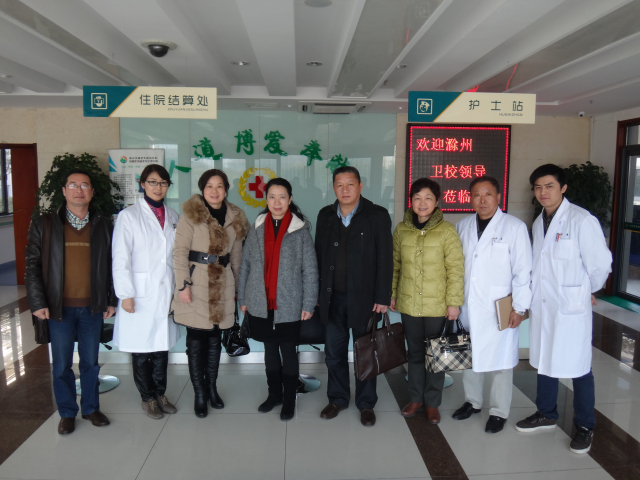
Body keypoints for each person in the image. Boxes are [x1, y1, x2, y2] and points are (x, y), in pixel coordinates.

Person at [515, 164, 612, 454]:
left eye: (549, 186)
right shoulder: (539, 222)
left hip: (571, 307)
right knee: (546, 359)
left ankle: (585, 425)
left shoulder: (582, 220)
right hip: (545, 304)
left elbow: (600, 264)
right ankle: (546, 412)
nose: (543, 192)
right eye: (538, 187)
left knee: (579, 366)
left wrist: (586, 290)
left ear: (563, 188)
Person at [25, 169, 117, 435]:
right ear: (64, 191)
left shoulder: (104, 225)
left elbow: (113, 265)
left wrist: (111, 299)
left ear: (92, 192)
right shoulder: (44, 224)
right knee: (62, 364)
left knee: (91, 362)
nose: (79, 190)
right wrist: (37, 301)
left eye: (84, 185)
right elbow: (32, 265)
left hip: (92, 307)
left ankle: (90, 408)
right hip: (58, 308)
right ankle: (67, 412)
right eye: (73, 185)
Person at [452, 176, 532, 433]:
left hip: (500, 307)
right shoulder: (463, 226)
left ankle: (499, 411)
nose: (482, 200)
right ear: (470, 198)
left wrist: (519, 308)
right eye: (477, 194)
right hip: (468, 304)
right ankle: (472, 402)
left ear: (498, 197)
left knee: (501, 361)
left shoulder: (514, 227)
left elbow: (523, 271)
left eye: (488, 194)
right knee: (470, 355)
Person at [315, 166, 393, 427]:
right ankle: (337, 398)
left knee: (366, 353)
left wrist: (383, 296)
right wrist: (317, 294)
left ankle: (366, 403)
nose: (345, 189)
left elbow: (385, 258)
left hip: (366, 299)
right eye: (339, 185)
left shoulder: (377, 215)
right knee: (333, 353)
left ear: (360, 186)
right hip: (332, 298)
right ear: (333, 188)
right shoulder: (326, 215)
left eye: (350, 184)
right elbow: (319, 256)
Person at [171, 169, 250, 418]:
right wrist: (183, 286)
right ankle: (199, 394)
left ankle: (212, 388)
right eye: (209, 186)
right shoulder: (191, 214)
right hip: (196, 282)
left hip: (223, 282)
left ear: (226, 189)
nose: (214, 191)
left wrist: (238, 289)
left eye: (219, 186)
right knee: (196, 340)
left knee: (215, 339)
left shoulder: (236, 215)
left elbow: (237, 256)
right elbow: (179, 252)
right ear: (202, 189)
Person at [238, 178, 318, 421]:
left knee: (288, 351)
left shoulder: (300, 231)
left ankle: (289, 399)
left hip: (289, 303)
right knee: (270, 350)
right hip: (260, 302)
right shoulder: (257, 228)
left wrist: (308, 303)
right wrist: (243, 297)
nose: (277, 202)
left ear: (290, 200)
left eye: (282, 197)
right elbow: (246, 265)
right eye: (272, 196)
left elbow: (310, 270)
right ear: (266, 200)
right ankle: (274, 394)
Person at [390, 177, 464, 425]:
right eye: (417, 198)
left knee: (436, 356)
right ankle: (415, 399)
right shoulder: (401, 229)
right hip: (409, 303)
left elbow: (455, 269)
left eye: (428, 198)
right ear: (411, 201)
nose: (422, 203)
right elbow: (395, 265)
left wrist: (454, 303)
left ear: (437, 202)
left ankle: (432, 403)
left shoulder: (447, 230)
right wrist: (392, 294)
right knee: (414, 353)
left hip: (437, 306)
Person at [112, 164, 181, 419]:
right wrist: (126, 294)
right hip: (139, 294)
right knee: (141, 349)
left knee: (161, 347)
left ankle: (161, 394)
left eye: (163, 183)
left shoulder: (173, 216)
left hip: (166, 291)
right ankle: (147, 398)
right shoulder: (128, 216)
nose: (158, 187)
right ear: (142, 184)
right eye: (152, 182)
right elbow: (120, 258)